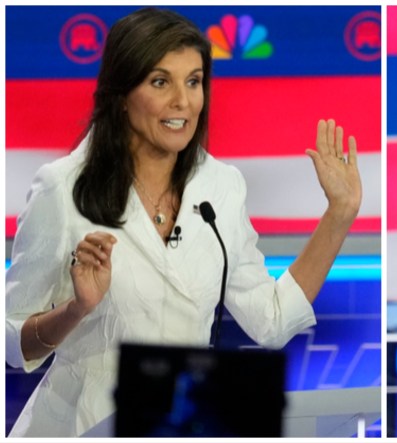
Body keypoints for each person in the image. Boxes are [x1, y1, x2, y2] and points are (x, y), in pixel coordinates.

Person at [6, 7, 362, 437]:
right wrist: (76, 309)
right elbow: (11, 340)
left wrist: (339, 214)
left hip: (180, 426)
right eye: (161, 82)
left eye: (194, 81)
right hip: (83, 428)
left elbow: (272, 321)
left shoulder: (222, 186)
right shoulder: (63, 188)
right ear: (122, 94)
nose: (183, 102)